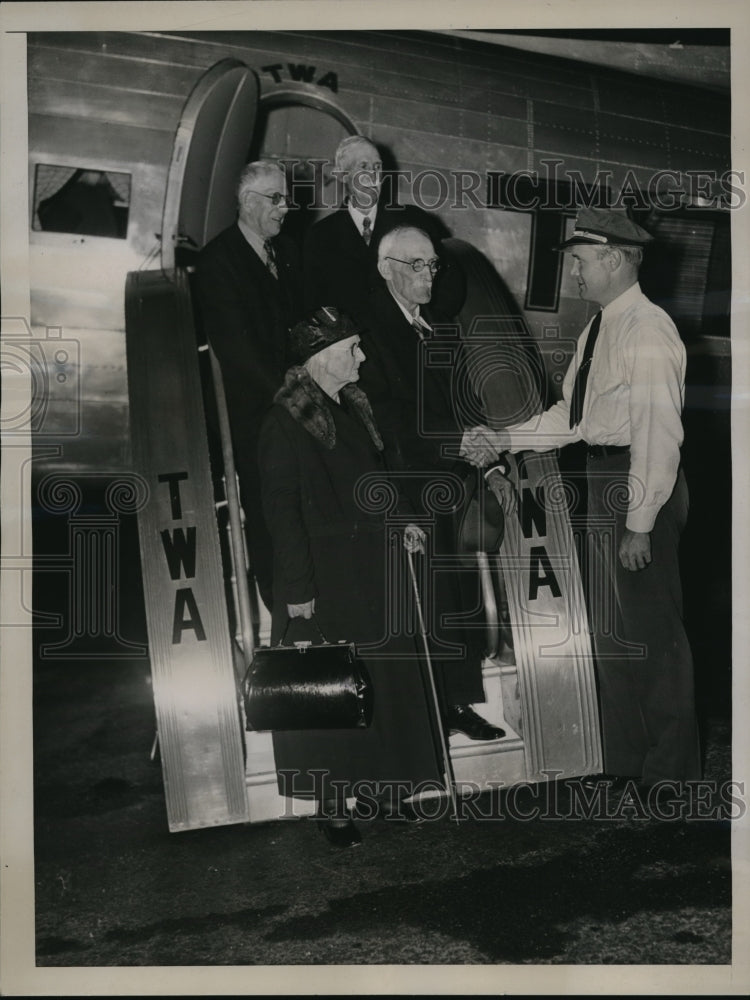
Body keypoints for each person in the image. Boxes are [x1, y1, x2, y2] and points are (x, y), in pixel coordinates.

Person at [461, 208, 701, 792]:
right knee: (611, 631)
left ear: (615, 258)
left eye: (581, 260)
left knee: (652, 635)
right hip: (599, 482)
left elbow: (657, 433)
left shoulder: (647, 329)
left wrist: (640, 522)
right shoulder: (598, 328)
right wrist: (505, 437)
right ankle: (622, 759)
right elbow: (570, 419)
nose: (573, 272)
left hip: (636, 484)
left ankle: (669, 773)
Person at [257, 307, 445, 848]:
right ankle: (333, 805)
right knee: (329, 689)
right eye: (352, 349)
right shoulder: (284, 422)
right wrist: (297, 593)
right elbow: (282, 510)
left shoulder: (353, 406)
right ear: (321, 358)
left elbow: (380, 480)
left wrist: (405, 518)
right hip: (324, 577)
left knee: (381, 680)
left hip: (371, 569)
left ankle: (382, 790)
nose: (362, 358)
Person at [357, 225, 507, 743]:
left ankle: (458, 703)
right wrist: (456, 440)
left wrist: (487, 453)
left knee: (459, 594)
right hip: (407, 483)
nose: (429, 275)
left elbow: (465, 403)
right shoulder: (368, 331)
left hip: (454, 480)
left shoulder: (439, 326)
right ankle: (427, 710)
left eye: (432, 266)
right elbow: (386, 413)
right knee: (427, 599)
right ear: (387, 269)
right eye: (416, 266)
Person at [194, 160, 303, 611]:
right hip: (257, 420)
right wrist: (297, 400)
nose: (285, 208)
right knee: (268, 516)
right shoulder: (217, 262)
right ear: (247, 202)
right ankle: (281, 614)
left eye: (286, 198)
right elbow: (239, 354)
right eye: (276, 199)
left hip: (295, 406)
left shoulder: (286, 253)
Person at [303, 134, 464, 320]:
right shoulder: (320, 236)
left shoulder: (415, 220)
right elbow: (313, 303)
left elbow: (449, 284)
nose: (373, 175)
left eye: (377, 167)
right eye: (363, 167)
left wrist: (423, 325)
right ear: (343, 175)